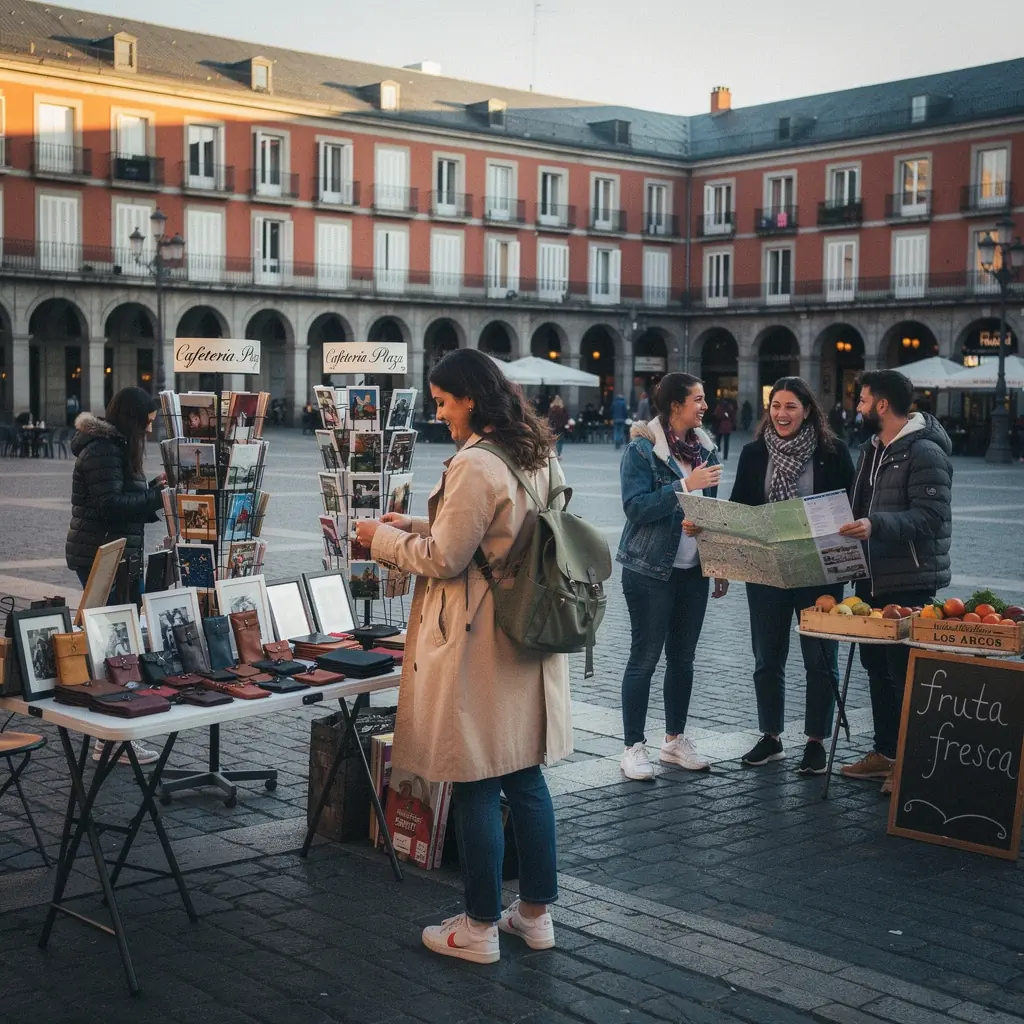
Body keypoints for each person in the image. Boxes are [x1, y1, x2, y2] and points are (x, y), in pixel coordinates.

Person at [354, 348, 571, 965]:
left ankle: (477, 926)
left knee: (475, 775)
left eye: (444, 401)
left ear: (471, 398)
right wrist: (418, 527)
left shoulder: (476, 462)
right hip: (527, 630)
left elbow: (449, 560)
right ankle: (534, 915)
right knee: (525, 775)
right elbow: (492, 538)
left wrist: (384, 540)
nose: (440, 412)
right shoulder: (535, 452)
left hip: (482, 639)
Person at [726, 378, 855, 775]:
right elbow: (739, 507)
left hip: (819, 573)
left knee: (819, 659)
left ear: (808, 411)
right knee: (767, 657)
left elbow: (850, 508)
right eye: (776, 406)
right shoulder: (752, 453)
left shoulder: (832, 453)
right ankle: (771, 736)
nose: (781, 414)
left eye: (791, 407)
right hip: (766, 570)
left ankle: (815, 741)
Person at [837, 369, 952, 793]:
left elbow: (932, 517)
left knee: (904, 674)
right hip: (870, 578)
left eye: (863, 400)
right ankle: (885, 754)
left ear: (882, 404)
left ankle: (910, 762)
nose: (859, 407)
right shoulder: (872, 449)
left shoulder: (924, 452)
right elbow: (860, 505)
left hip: (909, 580)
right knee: (876, 671)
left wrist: (874, 525)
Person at [616, 373, 728, 781]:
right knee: (644, 659)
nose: (704, 406)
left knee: (683, 660)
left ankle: (674, 740)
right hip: (648, 570)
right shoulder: (642, 450)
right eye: (698, 399)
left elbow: (710, 515)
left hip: (692, 571)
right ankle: (632, 748)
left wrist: (716, 562)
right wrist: (684, 484)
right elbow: (635, 508)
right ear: (675, 405)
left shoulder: (707, 451)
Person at [65, 386, 165, 767]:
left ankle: (110, 732)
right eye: (149, 422)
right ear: (134, 418)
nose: (151, 430)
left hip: (117, 556)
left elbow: (122, 497)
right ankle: (108, 737)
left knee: (115, 644)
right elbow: (110, 506)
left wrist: (154, 487)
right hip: (100, 557)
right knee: (111, 646)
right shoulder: (103, 450)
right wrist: (156, 498)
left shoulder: (118, 447)